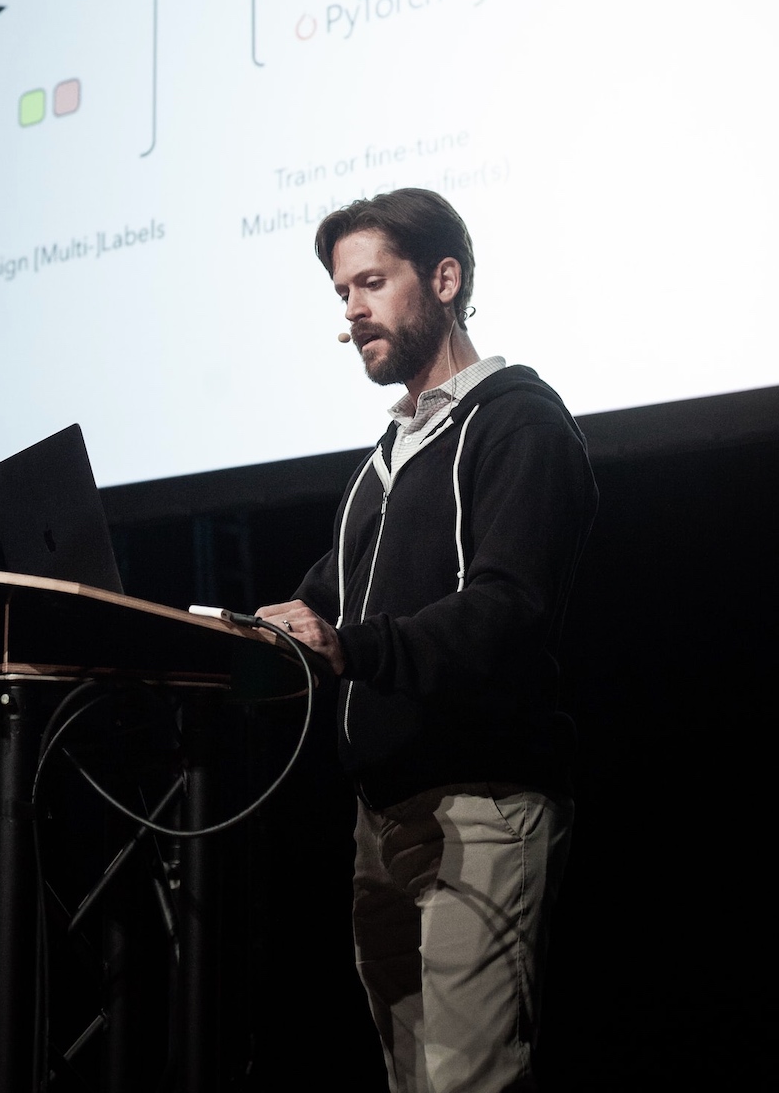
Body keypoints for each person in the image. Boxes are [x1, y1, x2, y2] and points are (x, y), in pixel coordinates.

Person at [256, 188, 597, 1093]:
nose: (352, 312)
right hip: (383, 818)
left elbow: (507, 611)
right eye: (341, 295)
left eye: (372, 282)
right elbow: (313, 611)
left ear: (444, 280)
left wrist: (351, 648)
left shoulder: (517, 423)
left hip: (481, 804)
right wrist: (233, 636)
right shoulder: (384, 461)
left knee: (465, 1082)